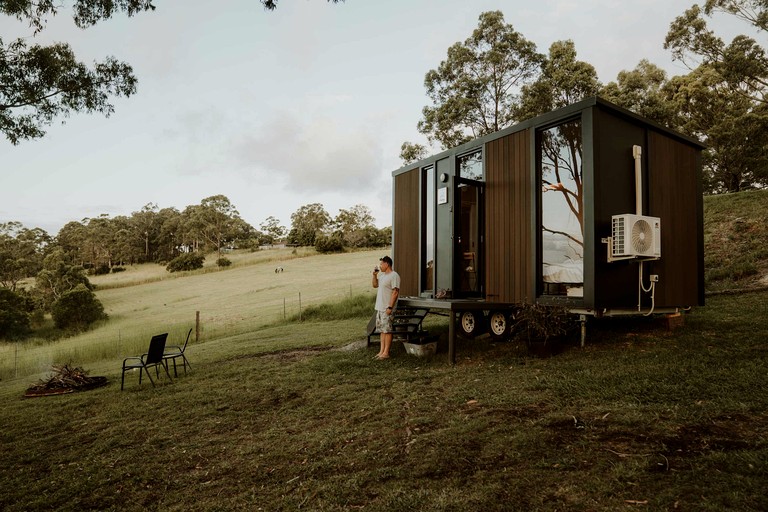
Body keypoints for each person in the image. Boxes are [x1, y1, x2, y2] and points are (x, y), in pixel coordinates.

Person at [372, 255, 400, 359]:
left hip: (387, 307)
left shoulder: (394, 275)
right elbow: (375, 285)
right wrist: (374, 275)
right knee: (382, 330)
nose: (380, 266)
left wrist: (390, 307)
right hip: (380, 307)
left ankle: (386, 353)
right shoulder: (383, 276)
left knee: (387, 330)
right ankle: (381, 352)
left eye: (381, 264)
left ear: (387, 264)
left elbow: (395, 292)